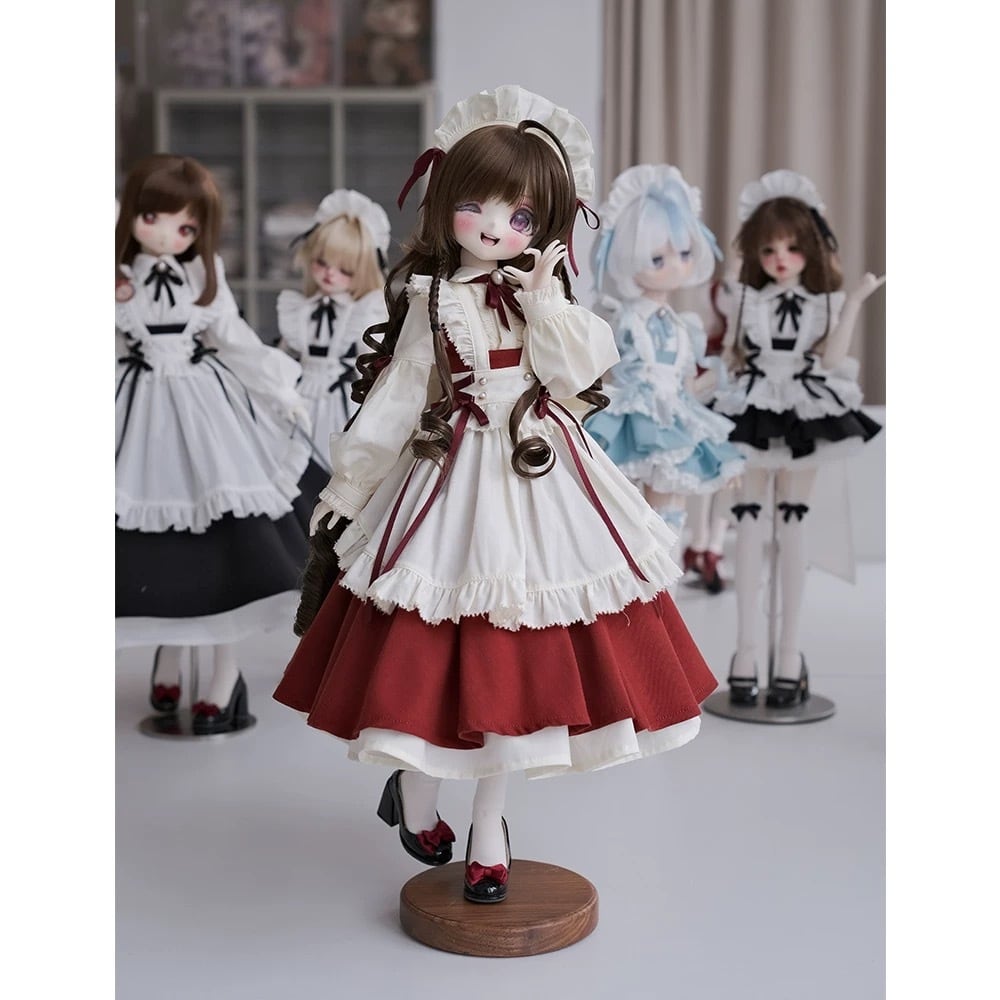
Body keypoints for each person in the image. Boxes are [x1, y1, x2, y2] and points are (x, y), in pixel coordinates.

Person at [272, 85, 717, 905]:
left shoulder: (546, 294)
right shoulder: (433, 298)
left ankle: (488, 831)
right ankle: (415, 789)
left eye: (518, 216)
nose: (492, 228)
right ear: (445, 203)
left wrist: (545, 298)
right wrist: (352, 482)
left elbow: (582, 371)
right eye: (473, 206)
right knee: (433, 640)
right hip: (453, 471)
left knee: (518, 656)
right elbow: (398, 395)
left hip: (544, 471)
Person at [115, 153, 323, 734]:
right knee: (151, 547)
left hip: (203, 407)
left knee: (223, 540)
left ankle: (223, 672)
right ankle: (170, 650)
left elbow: (234, 338)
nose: (167, 235)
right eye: (153, 218)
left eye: (184, 227)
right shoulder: (116, 278)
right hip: (136, 409)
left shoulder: (204, 277)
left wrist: (279, 389)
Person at [712, 169, 884, 708]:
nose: (781, 258)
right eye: (769, 249)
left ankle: (787, 654)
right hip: (753, 400)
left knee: (792, 524)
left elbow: (830, 361)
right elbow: (733, 355)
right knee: (747, 523)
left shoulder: (824, 303)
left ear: (813, 247)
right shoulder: (747, 299)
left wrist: (853, 304)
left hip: (802, 404)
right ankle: (745, 654)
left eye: (792, 247)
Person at [583, 164, 745, 584]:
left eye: (683, 254)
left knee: (669, 512)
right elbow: (605, 372)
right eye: (658, 258)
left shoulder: (682, 324)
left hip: (673, 419)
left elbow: (685, 384)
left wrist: (719, 380)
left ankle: (663, 593)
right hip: (631, 421)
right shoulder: (621, 318)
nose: (674, 266)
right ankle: (633, 591)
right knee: (627, 515)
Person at [276, 189, 391, 471]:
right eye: (321, 263)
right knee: (291, 462)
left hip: (341, 398)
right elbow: (282, 357)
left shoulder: (363, 312)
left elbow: (372, 362)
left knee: (337, 464)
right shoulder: (299, 308)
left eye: (345, 270)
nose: (329, 274)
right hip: (301, 395)